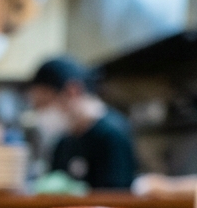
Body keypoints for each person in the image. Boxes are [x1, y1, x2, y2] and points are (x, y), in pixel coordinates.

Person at [28, 57, 137, 190]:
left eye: (44, 104)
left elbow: (118, 195)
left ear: (72, 91)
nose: (42, 115)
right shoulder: (64, 143)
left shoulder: (113, 135)